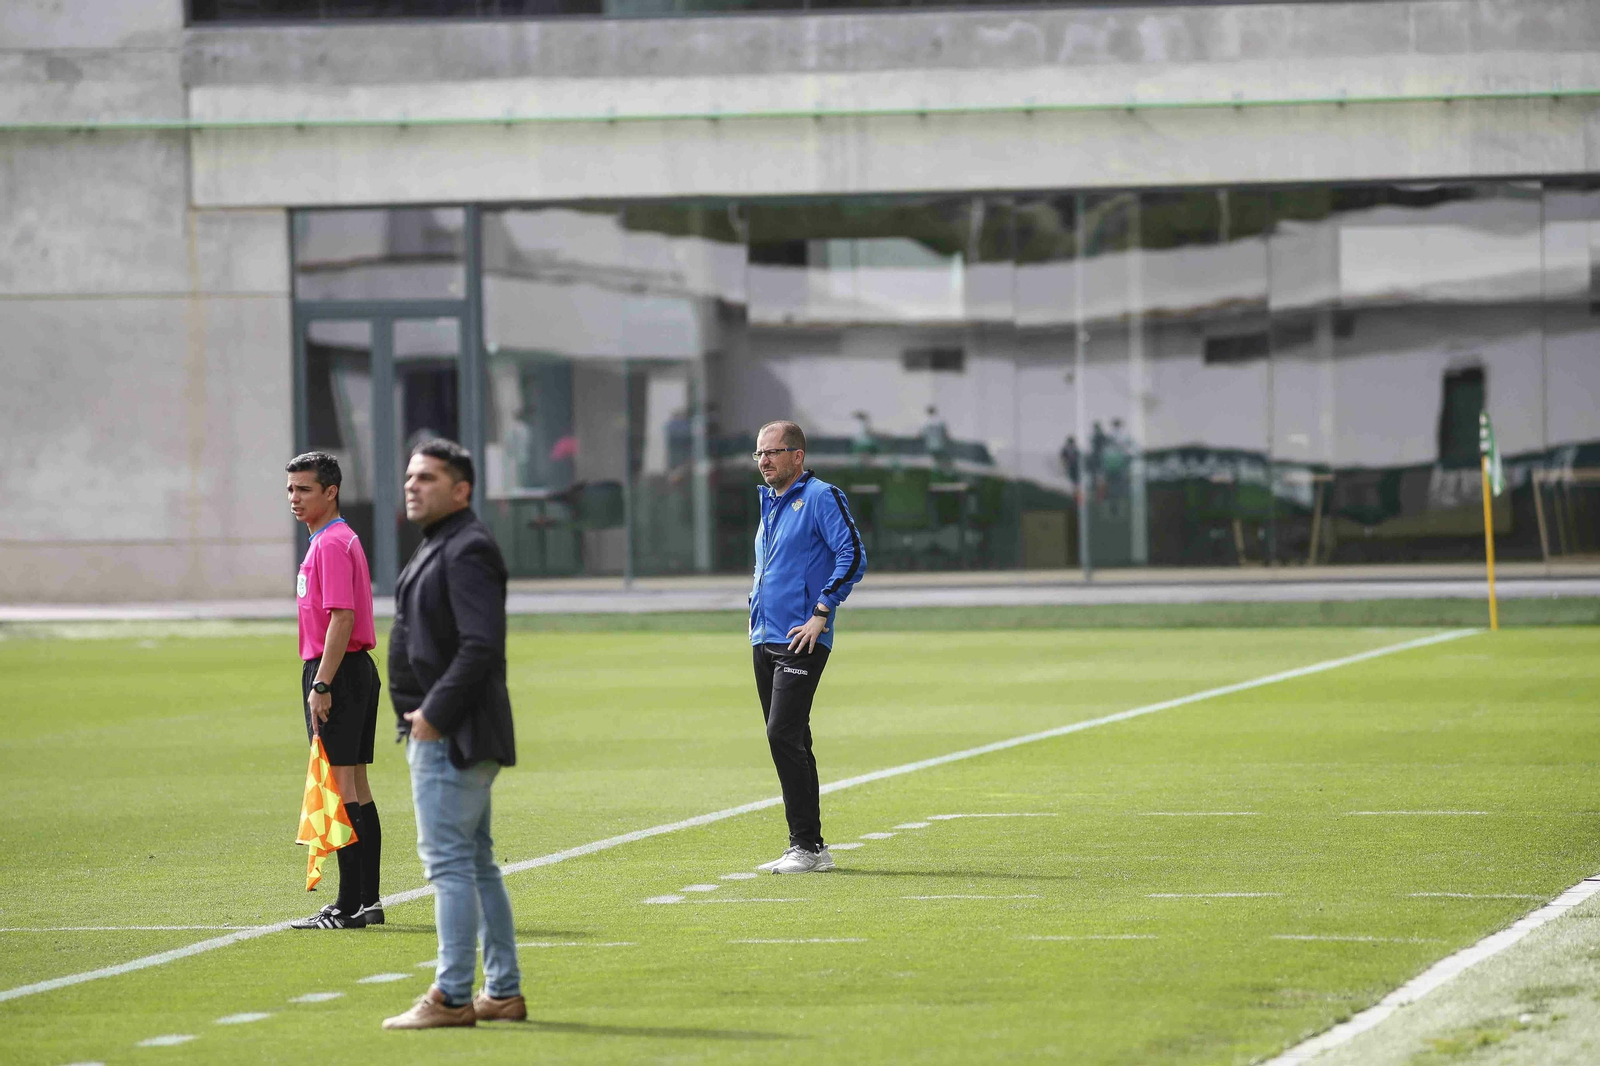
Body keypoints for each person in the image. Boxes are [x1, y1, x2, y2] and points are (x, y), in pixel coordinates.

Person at [382, 439, 523, 1030]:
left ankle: (452, 995)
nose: (413, 485)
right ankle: (502, 991)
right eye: (410, 475)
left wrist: (433, 715)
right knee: (475, 861)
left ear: (461, 489)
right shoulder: (445, 541)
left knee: (448, 865)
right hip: (452, 729)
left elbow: (480, 644)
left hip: (452, 734)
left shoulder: (465, 547)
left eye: (428, 477)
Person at [747, 420, 867, 875]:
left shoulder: (820, 496)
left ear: (797, 455)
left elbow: (852, 554)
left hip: (802, 636)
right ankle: (812, 848)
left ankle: (806, 845)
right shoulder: (770, 503)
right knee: (793, 737)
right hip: (766, 637)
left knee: (782, 734)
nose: (764, 461)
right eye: (759, 453)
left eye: (773, 452)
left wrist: (822, 610)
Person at [284, 452, 383, 931]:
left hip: (337, 672)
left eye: (304, 489)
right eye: (290, 490)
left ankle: (348, 907)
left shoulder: (330, 543)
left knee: (341, 790)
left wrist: (322, 682)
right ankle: (368, 900)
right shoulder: (337, 540)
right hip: (354, 670)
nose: (294, 499)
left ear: (331, 492)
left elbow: (341, 617)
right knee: (356, 787)